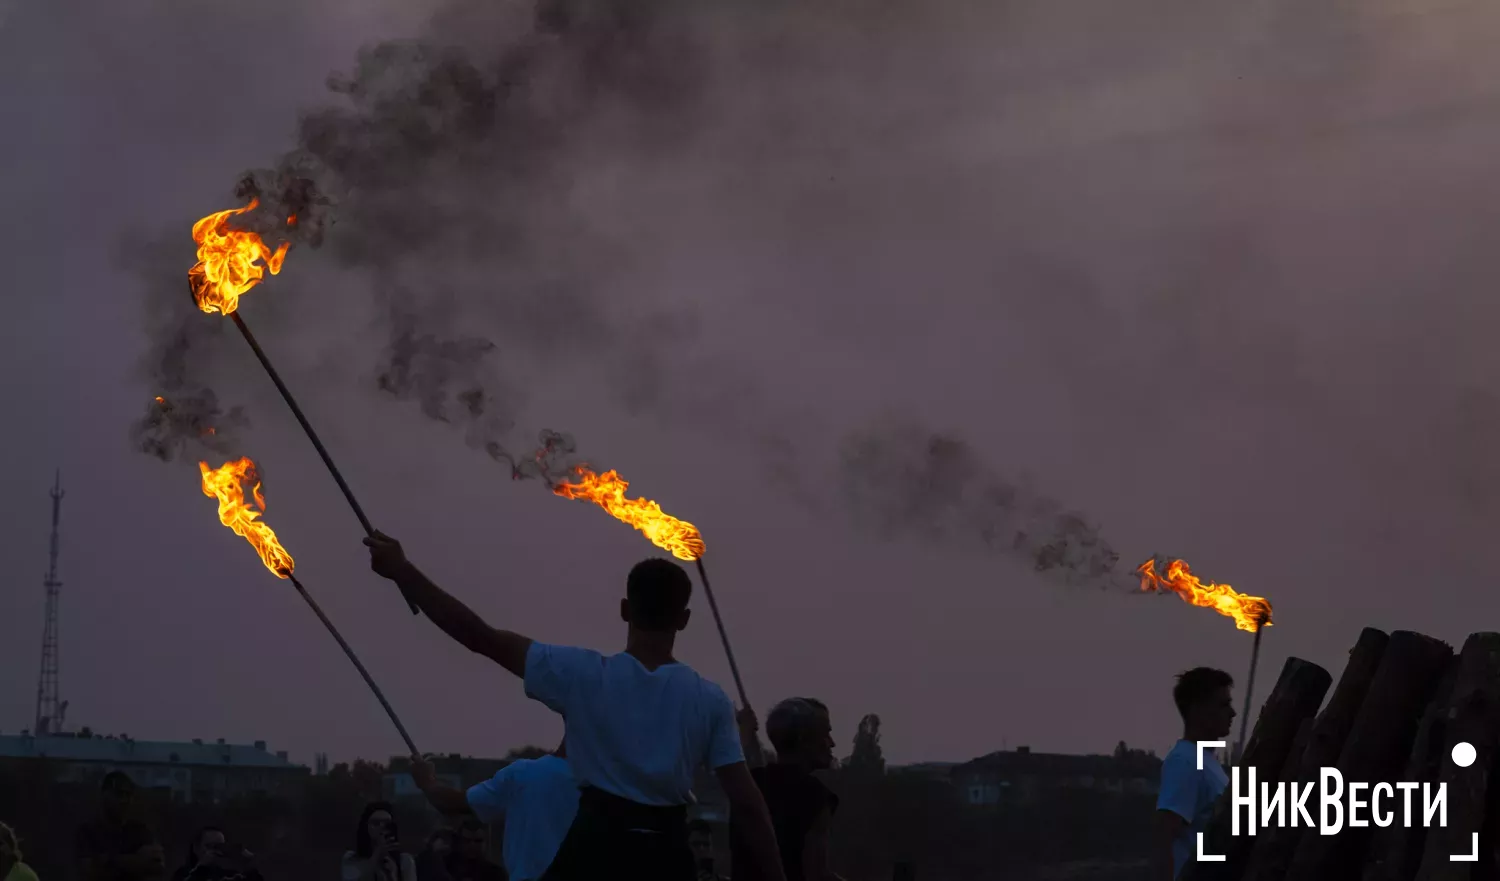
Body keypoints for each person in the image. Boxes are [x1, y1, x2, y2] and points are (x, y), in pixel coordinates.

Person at [364, 533, 786, 881]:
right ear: (684, 619)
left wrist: (403, 571)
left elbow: (481, 637)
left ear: (624, 610)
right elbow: (748, 805)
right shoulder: (709, 699)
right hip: (666, 857)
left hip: (595, 849)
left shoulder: (584, 676)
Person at [411, 748, 575, 881]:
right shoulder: (597, 783)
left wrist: (427, 782)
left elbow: (452, 804)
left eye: (477, 841)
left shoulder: (525, 775)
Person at [730, 700, 843, 881]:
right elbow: (817, 875)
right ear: (803, 740)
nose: (832, 743)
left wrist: (743, 731)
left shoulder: (749, 784)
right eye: (826, 734)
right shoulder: (815, 796)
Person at [1155, 667, 1235, 880]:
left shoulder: (1208, 763)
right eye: (1223, 705)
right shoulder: (1185, 762)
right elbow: (1165, 838)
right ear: (1198, 710)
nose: (1232, 713)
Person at [77, 772, 166, 881]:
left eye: (128, 795)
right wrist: (136, 860)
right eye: (119, 794)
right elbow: (89, 872)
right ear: (105, 796)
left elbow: (158, 867)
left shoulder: (140, 831)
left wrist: (109, 860)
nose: (124, 800)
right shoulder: (87, 832)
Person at [342, 803, 417, 881]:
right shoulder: (351, 859)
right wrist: (376, 856)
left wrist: (393, 876)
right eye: (376, 823)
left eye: (387, 823)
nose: (382, 827)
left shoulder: (405, 861)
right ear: (366, 826)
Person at [172, 827, 262, 881]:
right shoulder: (183, 874)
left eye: (219, 846)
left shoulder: (229, 875)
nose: (214, 851)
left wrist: (249, 864)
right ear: (196, 848)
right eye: (209, 846)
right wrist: (201, 869)